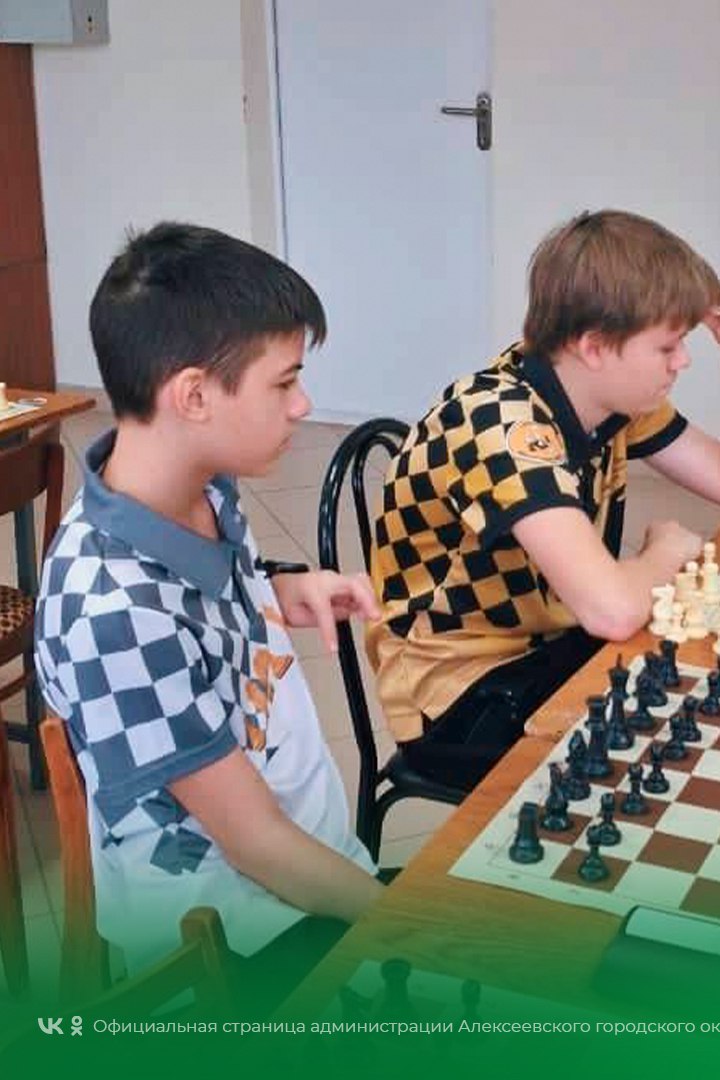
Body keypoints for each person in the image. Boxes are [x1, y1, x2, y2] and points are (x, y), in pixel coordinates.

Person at [33, 223, 384, 1004]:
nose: (303, 405)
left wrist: (280, 591)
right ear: (193, 395)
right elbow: (257, 846)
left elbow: (205, 609)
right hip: (236, 945)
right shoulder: (114, 612)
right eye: (283, 384)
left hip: (304, 862)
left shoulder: (200, 483)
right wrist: (410, 924)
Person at [367, 209, 720, 787]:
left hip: (554, 647)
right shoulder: (500, 424)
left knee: (713, 686)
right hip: (459, 699)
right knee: (689, 739)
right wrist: (662, 554)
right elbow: (612, 610)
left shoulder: (611, 400)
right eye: (667, 346)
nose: (682, 361)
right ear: (594, 346)